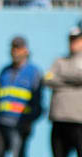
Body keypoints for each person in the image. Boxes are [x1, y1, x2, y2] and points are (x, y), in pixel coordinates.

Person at [0, 36, 43, 157]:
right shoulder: (4, 71)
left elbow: (38, 103)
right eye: (13, 48)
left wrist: (29, 120)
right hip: (1, 124)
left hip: (20, 125)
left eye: (18, 48)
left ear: (26, 50)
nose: (15, 51)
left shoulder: (33, 72)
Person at [44, 26, 82, 157]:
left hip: (78, 120)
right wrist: (74, 81)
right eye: (71, 40)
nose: (73, 43)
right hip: (59, 119)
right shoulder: (59, 60)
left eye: (76, 40)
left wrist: (62, 78)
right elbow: (48, 79)